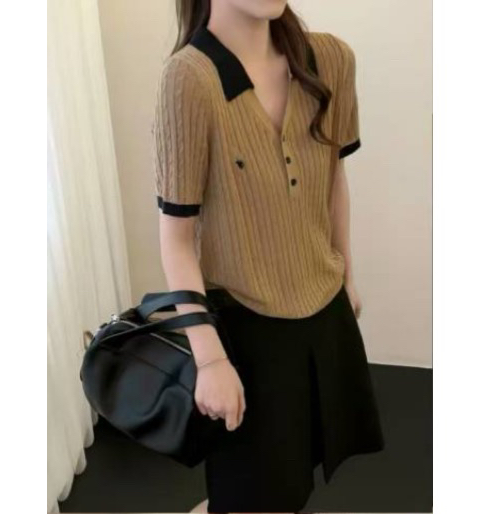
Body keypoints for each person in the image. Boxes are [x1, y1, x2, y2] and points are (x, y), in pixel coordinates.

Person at [151, 1, 385, 512]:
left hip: (323, 310)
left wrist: (346, 275)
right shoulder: (190, 79)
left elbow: (333, 180)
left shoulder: (330, 60)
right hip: (245, 327)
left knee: (292, 480)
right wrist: (210, 357)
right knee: (254, 488)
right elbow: (176, 238)